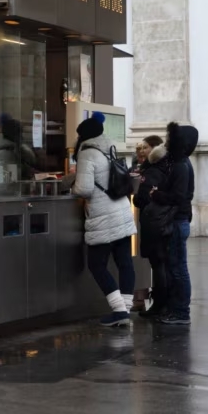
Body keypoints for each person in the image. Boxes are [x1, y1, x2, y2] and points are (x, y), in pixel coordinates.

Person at [70, 116, 138, 327]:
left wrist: (70, 187)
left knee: (96, 264)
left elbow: (84, 189)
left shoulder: (87, 153)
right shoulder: (109, 149)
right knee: (124, 262)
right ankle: (125, 308)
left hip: (103, 216)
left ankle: (119, 310)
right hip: (121, 210)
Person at [148, 122, 198, 325]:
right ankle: (175, 309)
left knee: (178, 268)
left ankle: (181, 311)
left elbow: (178, 196)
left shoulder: (181, 165)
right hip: (178, 219)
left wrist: (156, 194)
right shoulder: (181, 162)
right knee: (174, 266)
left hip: (177, 220)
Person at [133, 142, 172, 319]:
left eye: (145, 148)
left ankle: (159, 305)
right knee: (163, 264)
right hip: (166, 221)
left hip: (153, 221)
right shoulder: (170, 167)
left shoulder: (151, 172)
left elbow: (140, 199)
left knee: (157, 265)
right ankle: (165, 303)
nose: (141, 151)